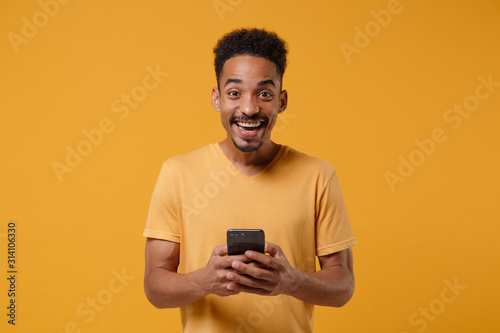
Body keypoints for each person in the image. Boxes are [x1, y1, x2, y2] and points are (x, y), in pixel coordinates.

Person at [143, 28, 357, 333]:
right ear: (216, 99)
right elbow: (154, 286)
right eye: (234, 93)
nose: (249, 108)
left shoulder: (318, 176)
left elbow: (343, 286)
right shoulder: (177, 173)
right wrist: (204, 280)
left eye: (264, 93)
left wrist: (289, 281)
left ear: (281, 101)